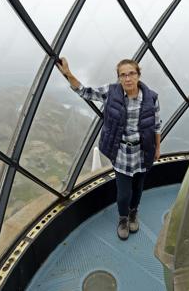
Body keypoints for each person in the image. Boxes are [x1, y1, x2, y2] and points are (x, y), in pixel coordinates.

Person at [56, 57, 161, 240]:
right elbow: (85, 92)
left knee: (138, 188)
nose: (127, 78)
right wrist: (68, 74)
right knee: (124, 192)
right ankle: (123, 218)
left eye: (131, 74)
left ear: (138, 75)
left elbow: (157, 126)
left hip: (143, 151)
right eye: (123, 75)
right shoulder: (111, 92)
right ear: (119, 78)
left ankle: (133, 213)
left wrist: (157, 148)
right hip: (121, 153)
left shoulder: (152, 98)